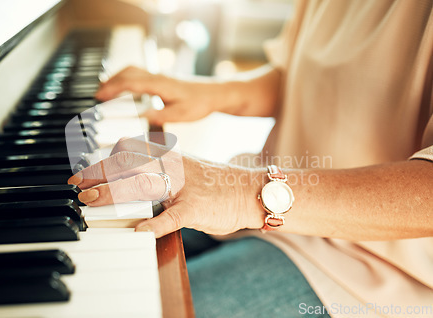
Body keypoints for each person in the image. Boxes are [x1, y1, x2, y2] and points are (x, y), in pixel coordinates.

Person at [68, 0, 433, 317]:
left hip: (370, 270)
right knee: (97, 254)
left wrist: (241, 192)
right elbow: (303, 75)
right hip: (271, 213)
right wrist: (213, 93)